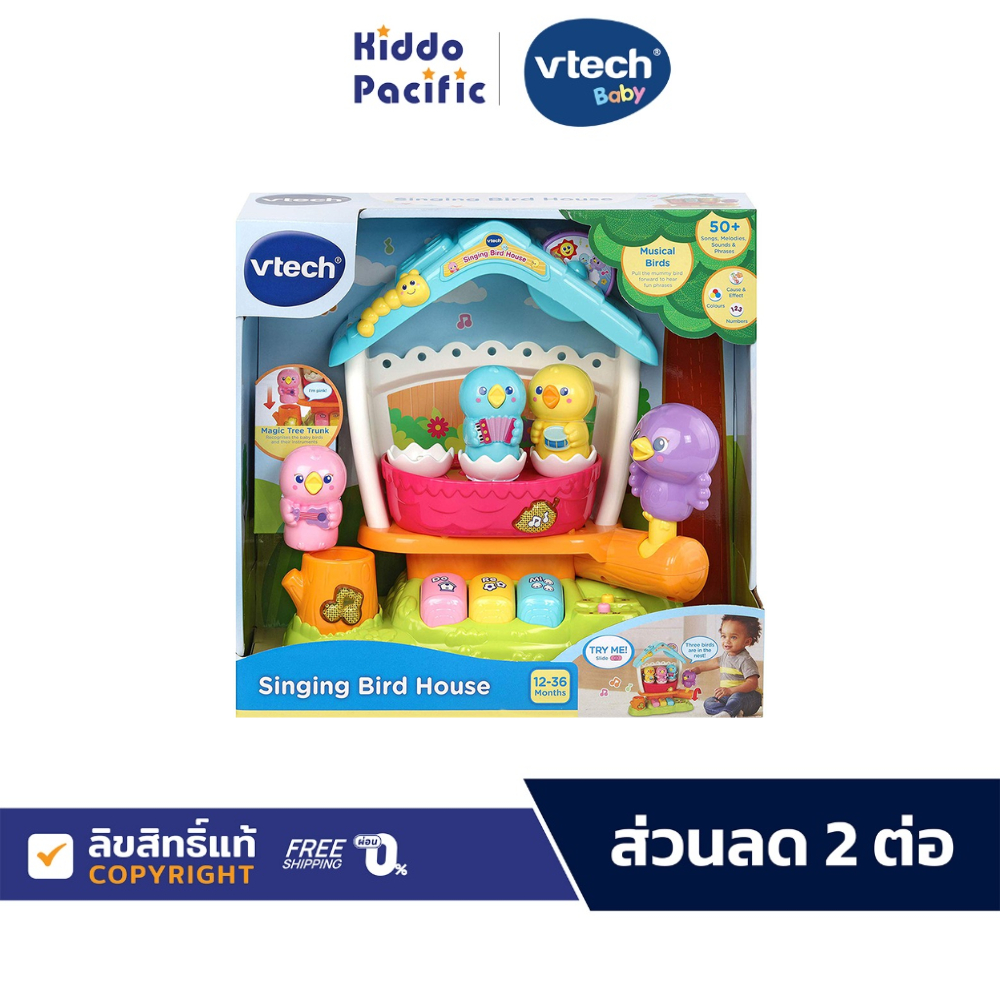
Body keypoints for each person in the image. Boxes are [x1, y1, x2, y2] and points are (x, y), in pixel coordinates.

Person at [689, 615, 762, 717]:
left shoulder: (745, 660)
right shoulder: (725, 656)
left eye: (733, 637)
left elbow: (752, 683)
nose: (727, 641)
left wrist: (730, 690)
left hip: (749, 697)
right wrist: (699, 669)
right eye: (724, 636)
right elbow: (715, 662)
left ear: (747, 641)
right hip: (728, 696)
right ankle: (731, 711)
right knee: (708, 703)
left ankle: (730, 711)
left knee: (736, 697)